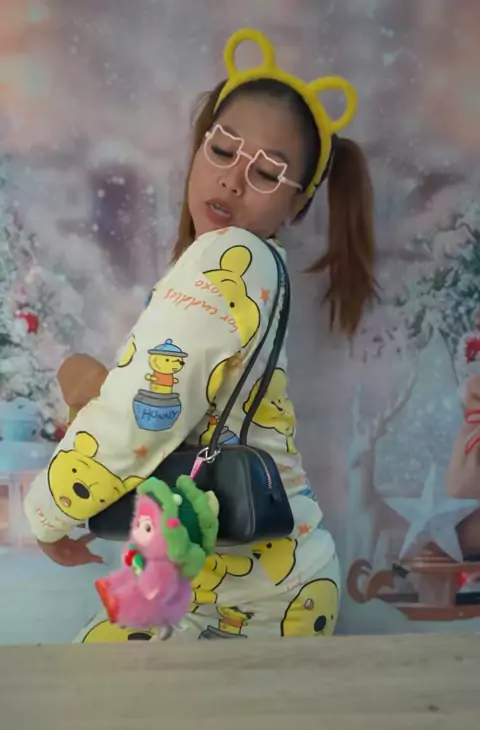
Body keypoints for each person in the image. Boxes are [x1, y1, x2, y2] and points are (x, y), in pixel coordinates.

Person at [24, 28, 377, 640]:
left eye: (266, 172)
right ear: (198, 149)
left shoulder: (231, 256)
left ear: (297, 206)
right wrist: (84, 376)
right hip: (222, 580)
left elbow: (144, 414)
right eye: (222, 150)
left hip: (257, 596)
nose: (233, 180)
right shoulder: (236, 267)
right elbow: (175, 399)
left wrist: (47, 511)